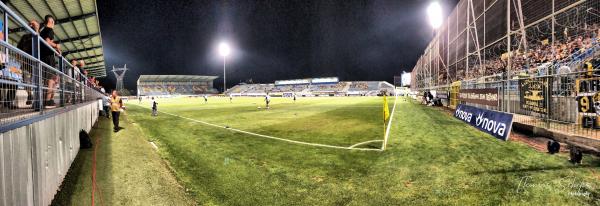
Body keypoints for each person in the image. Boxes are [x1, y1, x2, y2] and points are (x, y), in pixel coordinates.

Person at [16, 20, 40, 106]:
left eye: (34, 25)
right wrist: (19, 59)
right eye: (31, 25)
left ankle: (37, 101)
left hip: (36, 63)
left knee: (37, 81)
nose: (32, 26)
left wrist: (36, 27)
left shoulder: (38, 36)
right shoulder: (24, 37)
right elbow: (18, 48)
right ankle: (30, 95)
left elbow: (38, 40)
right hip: (26, 63)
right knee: (26, 81)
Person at [40, 15, 61, 108]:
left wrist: (55, 50)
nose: (54, 24)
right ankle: (48, 101)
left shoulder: (44, 30)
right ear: (51, 21)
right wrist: (56, 46)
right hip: (48, 57)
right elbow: (47, 42)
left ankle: (50, 100)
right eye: (53, 22)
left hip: (45, 57)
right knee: (51, 79)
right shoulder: (49, 30)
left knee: (54, 79)